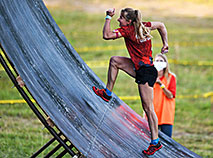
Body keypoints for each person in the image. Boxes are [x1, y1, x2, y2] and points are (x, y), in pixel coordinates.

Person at [92, 8, 169, 156]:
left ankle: (155, 142)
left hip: (146, 72)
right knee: (115, 61)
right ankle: (107, 93)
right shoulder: (144, 25)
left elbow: (106, 35)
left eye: (121, 18)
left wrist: (108, 17)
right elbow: (161, 25)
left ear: (129, 22)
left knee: (148, 108)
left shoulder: (127, 30)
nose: (118, 20)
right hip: (141, 68)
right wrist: (165, 43)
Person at [152, 53, 176, 137]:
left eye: (161, 61)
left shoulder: (170, 77)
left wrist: (161, 85)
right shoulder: (150, 77)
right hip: (153, 112)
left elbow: (171, 95)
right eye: (157, 60)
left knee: (167, 139)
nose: (159, 62)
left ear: (165, 63)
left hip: (165, 114)